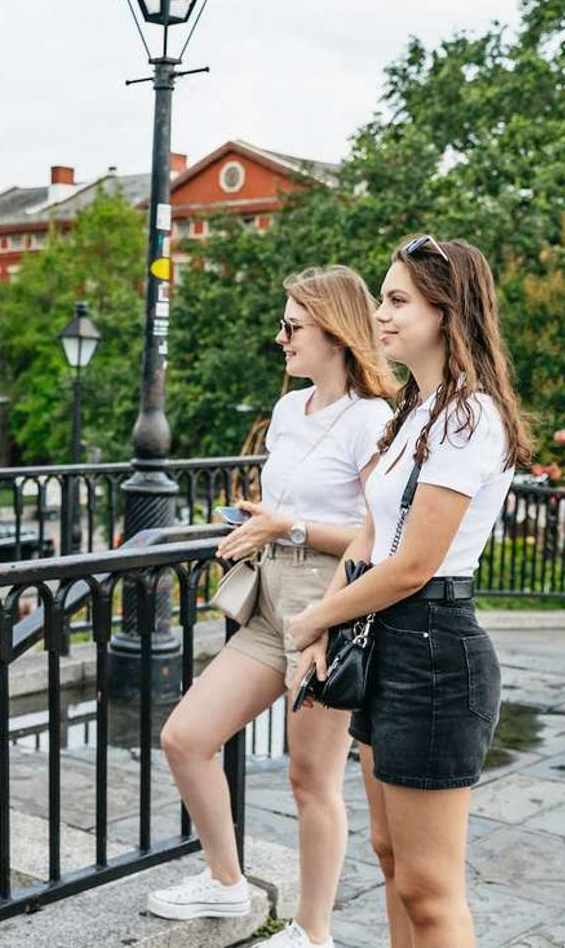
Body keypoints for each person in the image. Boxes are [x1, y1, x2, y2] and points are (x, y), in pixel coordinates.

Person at [286, 236, 534, 948]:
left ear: (446, 312)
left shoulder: (469, 416)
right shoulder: (417, 411)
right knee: (391, 857)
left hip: (433, 647)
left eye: (397, 300)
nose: (380, 314)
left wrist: (311, 619)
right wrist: (329, 632)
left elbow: (415, 563)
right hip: (388, 638)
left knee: (430, 888)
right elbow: (371, 536)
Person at [149, 266, 397, 948]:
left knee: (310, 777)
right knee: (186, 736)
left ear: (336, 334)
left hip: (329, 604)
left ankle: (313, 932)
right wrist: (256, 524)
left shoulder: (373, 420)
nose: (280, 336)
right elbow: (285, 508)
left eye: (293, 325)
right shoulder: (291, 410)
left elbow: (380, 537)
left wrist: (286, 525)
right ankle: (227, 882)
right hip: (270, 600)